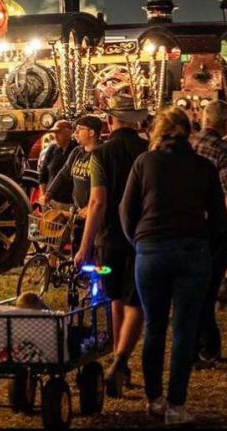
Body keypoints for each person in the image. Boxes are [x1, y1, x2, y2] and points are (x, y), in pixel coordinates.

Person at [120, 106, 224, 426]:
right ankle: (176, 405)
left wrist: (139, 241)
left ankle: (154, 399)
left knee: (154, 326)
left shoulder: (145, 163)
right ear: (187, 132)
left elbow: (126, 210)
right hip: (192, 249)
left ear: (158, 132)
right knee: (184, 329)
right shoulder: (203, 167)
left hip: (151, 249)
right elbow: (218, 217)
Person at [74, 94, 148, 397]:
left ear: (109, 121)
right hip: (141, 238)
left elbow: (97, 201)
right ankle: (122, 360)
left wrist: (84, 245)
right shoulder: (147, 151)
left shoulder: (101, 155)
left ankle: (119, 360)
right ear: (137, 122)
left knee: (114, 297)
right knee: (137, 303)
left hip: (109, 239)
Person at [191, 101, 227, 362]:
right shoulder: (223, 150)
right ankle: (206, 348)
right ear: (225, 123)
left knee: (193, 290)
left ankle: (200, 346)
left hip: (187, 223)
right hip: (214, 226)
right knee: (208, 287)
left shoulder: (189, 144)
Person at [46, 115, 102, 208]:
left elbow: (108, 187)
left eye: (80, 128)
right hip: (77, 209)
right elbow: (64, 173)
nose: (76, 132)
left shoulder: (102, 152)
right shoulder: (77, 151)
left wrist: (89, 207)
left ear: (91, 132)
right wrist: (49, 193)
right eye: (76, 129)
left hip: (94, 210)